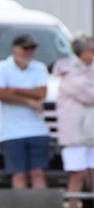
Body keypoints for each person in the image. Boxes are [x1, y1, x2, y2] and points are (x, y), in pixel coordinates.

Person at [0, 34, 50, 189]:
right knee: (19, 174)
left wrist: (15, 89)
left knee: (37, 172)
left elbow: (41, 93)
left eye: (32, 48)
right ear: (15, 50)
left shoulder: (39, 67)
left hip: (37, 130)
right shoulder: (2, 67)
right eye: (25, 48)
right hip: (11, 132)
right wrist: (28, 101)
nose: (29, 52)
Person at [53, 35, 94, 208]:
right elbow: (88, 95)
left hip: (92, 133)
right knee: (76, 174)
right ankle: (72, 205)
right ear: (82, 52)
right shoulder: (68, 72)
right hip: (75, 134)